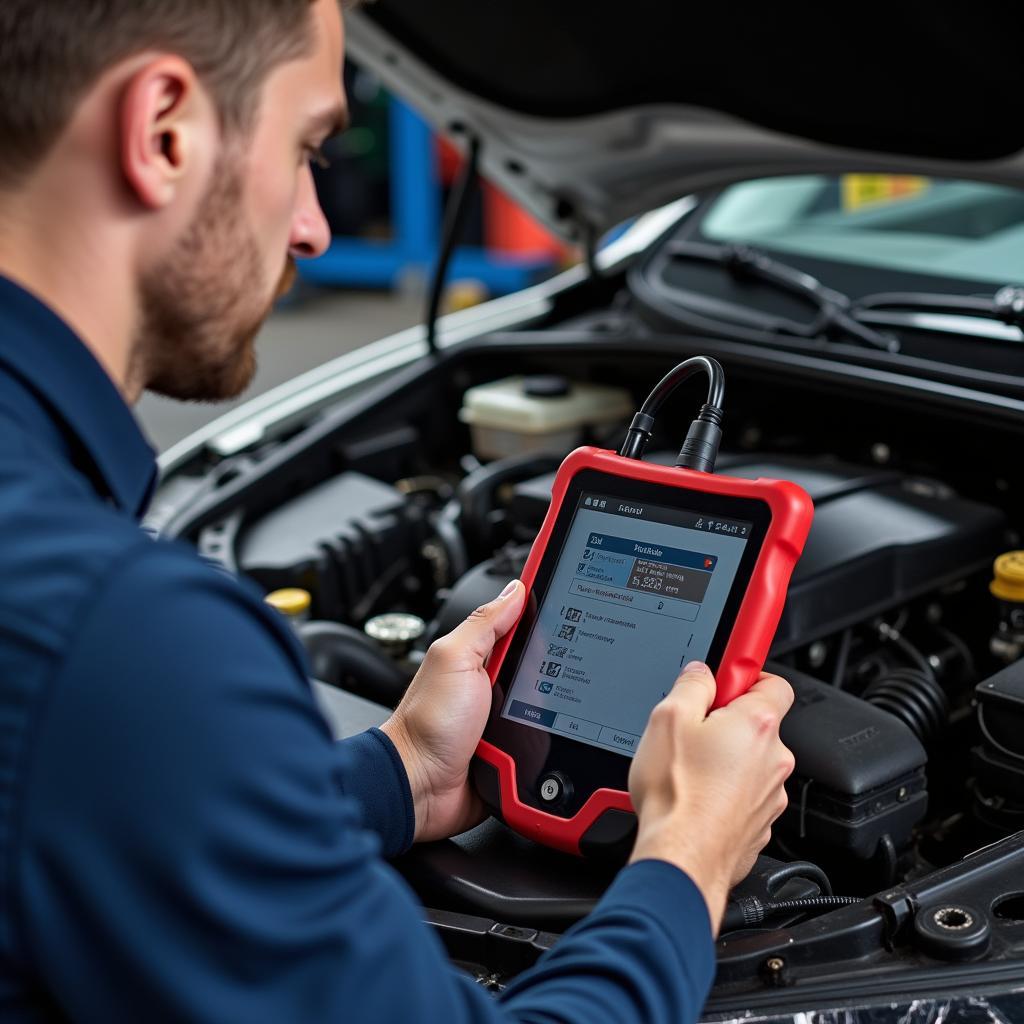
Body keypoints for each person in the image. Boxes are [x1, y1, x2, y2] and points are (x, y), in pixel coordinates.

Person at [0, 1, 795, 1020]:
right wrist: (687, 856)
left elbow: (104, 813)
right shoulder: (118, 639)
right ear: (163, 129)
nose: (314, 228)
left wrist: (401, 773)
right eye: (306, 150)